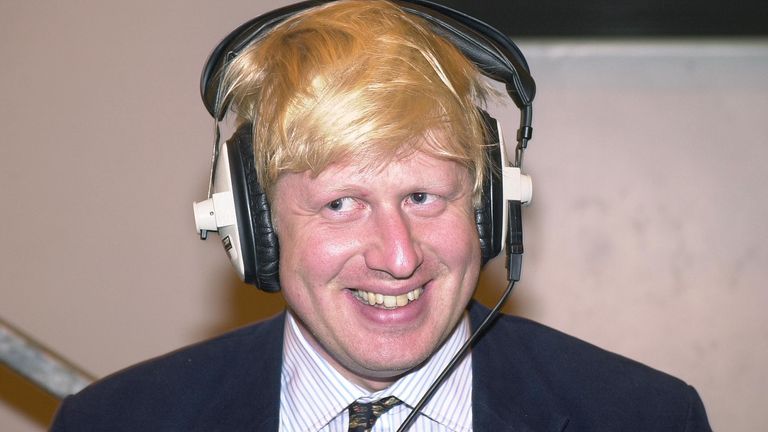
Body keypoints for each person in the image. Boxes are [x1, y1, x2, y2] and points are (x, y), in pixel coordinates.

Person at [50, 1, 711, 430]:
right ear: (252, 225)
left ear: (489, 207)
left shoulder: (647, 417)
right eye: (341, 204)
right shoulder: (112, 422)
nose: (398, 256)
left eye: (424, 197)